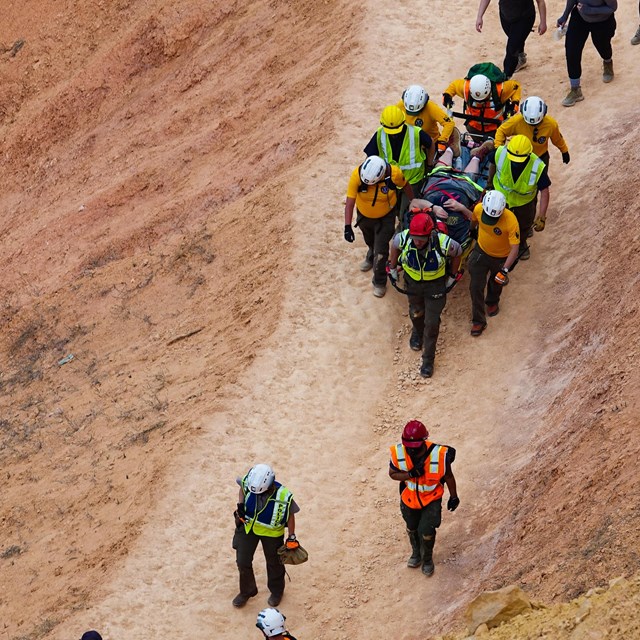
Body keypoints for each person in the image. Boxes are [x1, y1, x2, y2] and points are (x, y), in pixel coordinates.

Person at [387, 210, 462, 378]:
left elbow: (457, 252)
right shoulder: (404, 238)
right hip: (413, 284)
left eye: (421, 239)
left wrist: (451, 276)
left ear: (429, 234)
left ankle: (428, 360)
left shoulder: (443, 243)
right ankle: (417, 332)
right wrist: (392, 268)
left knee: (432, 323)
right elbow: (394, 245)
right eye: (415, 238)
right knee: (416, 311)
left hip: (435, 287)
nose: (418, 242)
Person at [389, 420, 459, 576]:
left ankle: (427, 559)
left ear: (423, 441)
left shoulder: (439, 454)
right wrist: (410, 474)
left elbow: (448, 476)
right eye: (409, 448)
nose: (411, 452)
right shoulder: (398, 453)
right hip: (409, 499)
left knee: (426, 530)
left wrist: (454, 497)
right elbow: (392, 474)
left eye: (415, 448)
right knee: (412, 527)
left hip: (431, 499)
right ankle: (416, 553)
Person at [344, 155, 414, 298]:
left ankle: (379, 281)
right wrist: (347, 226)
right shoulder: (357, 175)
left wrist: (413, 201)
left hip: (385, 217)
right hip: (364, 216)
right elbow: (350, 202)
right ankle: (371, 255)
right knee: (370, 241)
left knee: (381, 250)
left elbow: (406, 185)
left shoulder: (394, 174)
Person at [232, 464, 299, 608]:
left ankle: (276, 592)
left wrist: (291, 536)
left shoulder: (284, 495)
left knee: (274, 563)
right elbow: (242, 488)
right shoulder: (250, 481)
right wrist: (240, 505)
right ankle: (247, 591)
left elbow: (290, 515)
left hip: (272, 534)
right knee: (242, 561)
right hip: (248, 527)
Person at [468, 190, 521, 336]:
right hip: (481, 251)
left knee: (496, 281)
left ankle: (492, 301)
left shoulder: (511, 221)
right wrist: (471, 231)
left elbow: (515, 248)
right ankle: (478, 320)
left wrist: (504, 269)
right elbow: (474, 220)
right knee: (475, 286)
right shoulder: (479, 208)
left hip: (501, 257)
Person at [364, 104, 431, 217]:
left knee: (405, 213)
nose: (394, 135)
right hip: (390, 181)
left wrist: (430, 164)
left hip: (412, 180)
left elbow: (430, 144)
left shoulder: (415, 133)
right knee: (392, 210)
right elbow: (370, 158)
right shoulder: (380, 135)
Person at [490, 134, 550, 259]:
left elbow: (544, 191)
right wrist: (489, 184)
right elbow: (493, 163)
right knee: (498, 221)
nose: (516, 163)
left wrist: (542, 216)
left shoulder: (537, 166)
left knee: (524, 224)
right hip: (502, 197)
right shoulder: (500, 153)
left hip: (524, 202)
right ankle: (501, 244)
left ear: (528, 155)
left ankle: (521, 243)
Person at [558, 0, 617, 107]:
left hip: (602, 21)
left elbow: (612, 8)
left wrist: (590, 10)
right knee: (571, 50)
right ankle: (575, 89)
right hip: (580, 17)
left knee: (602, 46)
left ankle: (608, 61)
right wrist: (564, 16)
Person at [420, 146, 485, 246]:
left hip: (437, 184)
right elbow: (476, 221)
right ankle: (477, 156)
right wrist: (462, 208)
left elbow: (414, 203)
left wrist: (433, 208)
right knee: (469, 177)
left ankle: (451, 149)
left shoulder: (421, 230)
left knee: (439, 169)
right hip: (463, 189)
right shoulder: (458, 237)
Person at [475, 0, 548, 78]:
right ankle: (521, 56)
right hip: (505, 16)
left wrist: (543, 22)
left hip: (524, 17)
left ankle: (506, 76)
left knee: (512, 47)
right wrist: (480, 16)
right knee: (515, 39)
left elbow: (540, 1)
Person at [495, 96, 570, 169]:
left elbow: (557, 139)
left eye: (536, 124)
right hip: (520, 158)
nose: (533, 126)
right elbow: (501, 131)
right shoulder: (517, 121)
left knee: (542, 180)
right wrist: (498, 148)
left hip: (541, 158)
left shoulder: (551, 124)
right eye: (530, 124)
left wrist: (564, 151)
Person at [442, 72, 522, 137]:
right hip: (473, 126)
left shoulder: (501, 90)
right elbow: (454, 86)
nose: (479, 102)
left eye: (483, 100)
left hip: (496, 129)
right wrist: (447, 96)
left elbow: (516, 86)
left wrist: (515, 104)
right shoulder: (466, 88)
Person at [396, 84, 459, 166]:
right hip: (409, 145)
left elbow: (449, 123)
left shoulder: (431, 108)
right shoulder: (400, 105)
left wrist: (442, 139)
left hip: (430, 146)